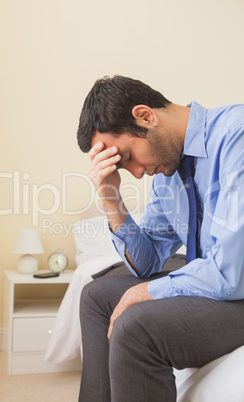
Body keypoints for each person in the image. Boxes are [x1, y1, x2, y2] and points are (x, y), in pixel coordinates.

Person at [76, 75, 244, 402]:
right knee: (96, 296)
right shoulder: (166, 175)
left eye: (127, 158)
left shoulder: (236, 136)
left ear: (146, 116)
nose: (137, 173)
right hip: (217, 280)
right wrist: (111, 197)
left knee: (136, 326)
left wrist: (149, 291)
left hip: (239, 286)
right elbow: (148, 262)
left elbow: (231, 272)